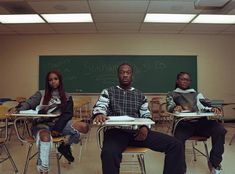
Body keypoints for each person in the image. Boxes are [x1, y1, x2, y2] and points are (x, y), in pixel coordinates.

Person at [92, 63, 185, 174]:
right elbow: (100, 106)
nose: (125, 75)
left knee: (175, 145)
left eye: (128, 72)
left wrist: (145, 127)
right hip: (115, 133)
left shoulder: (140, 95)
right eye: (122, 72)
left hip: (137, 133)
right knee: (108, 153)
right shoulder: (108, 92)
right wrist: (99, 114)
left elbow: (146, 115)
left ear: (132, 75)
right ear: (118, 75)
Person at [9, 70, 89, 174]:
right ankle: (44, 169)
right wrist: (18, 108)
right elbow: (29, 103)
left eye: (55, 79)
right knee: (45, 138)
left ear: (60, 80)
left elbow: (67, 114)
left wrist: (57, 129)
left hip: (59, 124)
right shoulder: (41, 94)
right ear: (47, 82)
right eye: (50, 80)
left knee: (84, 126)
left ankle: (64, 146)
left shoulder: (67, 96)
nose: (53, 81)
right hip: (41, 125)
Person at [166, 72, 227, 174]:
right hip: (183, 124)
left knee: (220, 130)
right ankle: (179, 169)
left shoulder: (196, 94)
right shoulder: (171, 94)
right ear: (177, 81)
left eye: (187, 80)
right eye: (182, 79)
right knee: (178, 140)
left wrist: (213, 109)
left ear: (190, 82)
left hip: (201, 123)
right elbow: (169, 107)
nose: (185, 81)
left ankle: (215, 163)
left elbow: (204, 106)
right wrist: (175, 108)